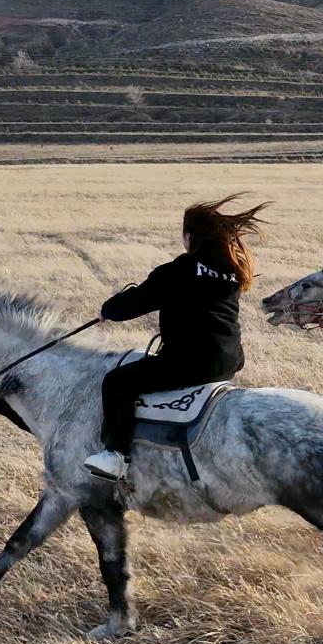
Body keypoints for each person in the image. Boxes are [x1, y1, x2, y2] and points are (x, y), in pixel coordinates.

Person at [83, 195, 268, 482]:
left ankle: (116, 456)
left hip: (190, 363)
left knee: (117, 382)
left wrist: (109, 310)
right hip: (229, 362)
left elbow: (134, 303)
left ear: (190, 236)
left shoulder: (178, 270)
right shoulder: (231, 274)